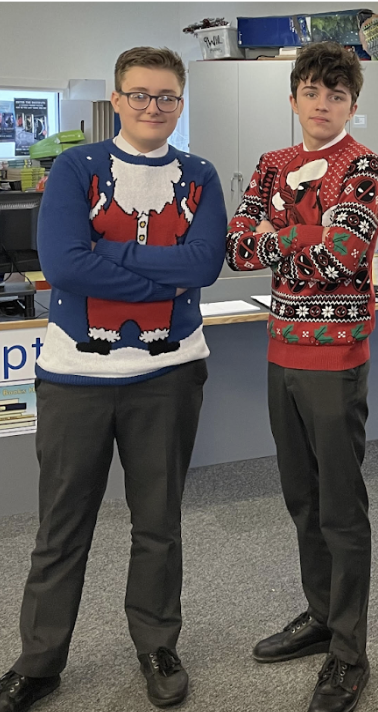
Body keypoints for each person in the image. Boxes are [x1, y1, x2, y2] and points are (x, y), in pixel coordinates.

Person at [0, 47, 227, 711]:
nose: (153, 106)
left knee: (158, 523)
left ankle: (158, 646)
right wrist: (163, 274)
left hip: (170, 373)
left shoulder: (201, 175)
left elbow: (206, 263)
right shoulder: (76, 168)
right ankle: (40, 662)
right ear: (119, 99)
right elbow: (65, 267)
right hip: (76, 378)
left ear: (179, 104)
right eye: (140, 94)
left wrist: (115, 255)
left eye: (166, 96)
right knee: (61, 528)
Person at [224, 41, 378, 712]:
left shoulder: (364, 166)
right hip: (281, 351)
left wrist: (281, 233)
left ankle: (349, 653)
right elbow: (236, 249)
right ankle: (322, 616)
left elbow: (346, 253)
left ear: (352, 104)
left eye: (337, 95)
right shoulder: (272, 162)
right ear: (293, 98)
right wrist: (306, 233)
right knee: (301, 499)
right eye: (313, 93)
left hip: (336, 357)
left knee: (342, 510)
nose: (323, 105)